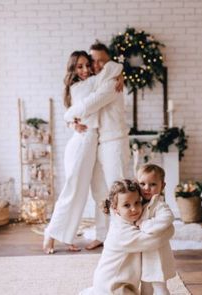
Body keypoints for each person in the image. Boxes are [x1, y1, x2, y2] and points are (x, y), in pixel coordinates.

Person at [43, 51, 123, 254]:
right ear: (72, 69)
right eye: (80, 66)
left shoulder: (87, 83)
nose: (86, 70)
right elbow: (110, 72)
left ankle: (67, 236)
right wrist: (118, 74)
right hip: (82, 144)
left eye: (88, 65)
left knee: (88, 193)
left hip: (91, 143)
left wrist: (121, 75)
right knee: (73, 192)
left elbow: (112, 71)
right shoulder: (82, 86)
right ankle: (50, 234)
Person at [64, 41, 130, 250]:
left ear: (109, 60)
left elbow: (89, 104)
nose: (97, 64)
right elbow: (83, 104)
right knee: (100, 193)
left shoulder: (110, 82)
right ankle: (103, 235)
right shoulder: (97, 81)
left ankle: (123, 235)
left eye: (102, 60)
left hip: (114, 141)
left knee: (119, 191)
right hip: (98, 143)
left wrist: (68, 115)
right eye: (94, 60)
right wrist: (71, 122)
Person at [79, 179, 175, 295]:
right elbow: (156, 240)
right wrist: (170, 228)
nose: (134, 209)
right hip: (112, 286)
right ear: (115, 209)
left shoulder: (127, 222)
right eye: (126, 205)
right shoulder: (121, 233)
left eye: (137, 203)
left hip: (123, 284)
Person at [137, 163, 176, 295]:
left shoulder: (159, 205)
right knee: (145, 286)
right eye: (142, 184)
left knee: (159, 286)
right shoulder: (139, 203)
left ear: (162, 186)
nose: (147, 188)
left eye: (153, 184)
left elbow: (167, 218)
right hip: (143, 253)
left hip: (157, 254)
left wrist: (144, 224)